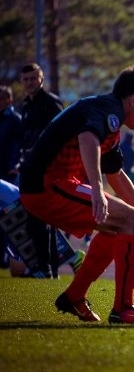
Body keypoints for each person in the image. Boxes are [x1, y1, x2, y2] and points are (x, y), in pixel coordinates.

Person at [19, 65, 134, 325]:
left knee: (121, 225)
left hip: (49, 186)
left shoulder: (109, 117)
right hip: (46, 186)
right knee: (130, 220)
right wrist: (97, 190)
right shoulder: (108, 112)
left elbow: (116, 175)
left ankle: (74, 296)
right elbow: (87, 138)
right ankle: (123, 309)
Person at [16, 63, 82, 276]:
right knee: (37, 221)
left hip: (46, 168)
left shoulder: (51, 103)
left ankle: (44, 268)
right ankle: (47, 269)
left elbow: (61, 133)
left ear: (41, 79)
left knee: (40, 220)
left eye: (33, 78)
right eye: (26, 79)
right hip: (29, 167)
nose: (30, 83)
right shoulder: (26, 106)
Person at [0, 85, 23, 183]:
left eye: (2, 98)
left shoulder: (15, 119)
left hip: (9, 171)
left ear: (10, 100)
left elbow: (18, 145)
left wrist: (13, 165)